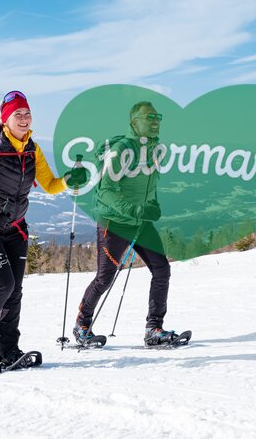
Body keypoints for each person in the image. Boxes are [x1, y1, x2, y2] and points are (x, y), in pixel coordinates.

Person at [0, 90, 88, 370]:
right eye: (18, 114)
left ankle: (8, 348)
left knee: (15, 290)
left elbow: (51, 184)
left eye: (27, 113)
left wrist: (69, 179)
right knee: (2, 285)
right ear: (6, 119)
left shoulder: (33, 149)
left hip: (16, 228)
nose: (24, 118)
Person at [74, 101, 178, 346]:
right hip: (115, 222)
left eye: (158, 117)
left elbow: (147, 185)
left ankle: (154, 329)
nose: (155, 121)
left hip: (141, 222)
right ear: (134, 122)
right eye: (149, 117)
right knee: (105, 278)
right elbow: (105, 191)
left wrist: (152, 206)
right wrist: (135, 209)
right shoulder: (121, 150)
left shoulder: (155, 149)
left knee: (162, 269)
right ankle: (82, 326)